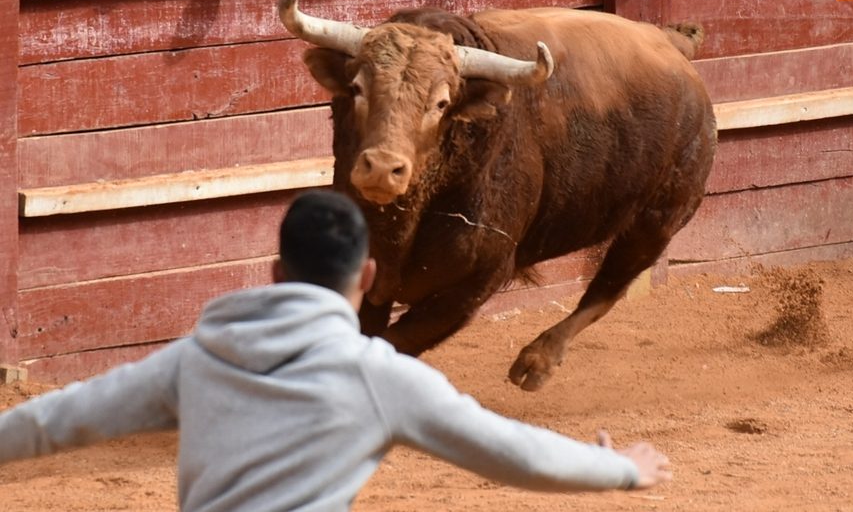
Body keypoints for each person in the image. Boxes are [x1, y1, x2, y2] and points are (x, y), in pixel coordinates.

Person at [0, 190, 670, 511]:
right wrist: (618, 469)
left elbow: (56, 419)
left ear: (275, 270)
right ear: (369, 278)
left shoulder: (198, 357)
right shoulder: (374, 375)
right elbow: (509, 450)